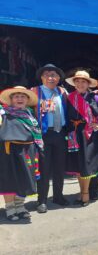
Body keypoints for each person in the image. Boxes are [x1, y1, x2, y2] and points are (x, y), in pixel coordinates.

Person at [65, 70, 98, 206]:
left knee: (86, 164)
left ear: (88, 84)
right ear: (74, 83)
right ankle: (81, 192)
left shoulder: (94, 98)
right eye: (78, 81)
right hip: (74, 134)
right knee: (78, 165)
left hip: (89, 134)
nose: (80, 84)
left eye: (83, 82)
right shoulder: (69, 97)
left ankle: (85, 194)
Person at [0, 86, 43, 221]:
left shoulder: (30, 114)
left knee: (25, 178)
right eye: (16, 96)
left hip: (27, 150)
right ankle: (10, 208)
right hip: (8, 151)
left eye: (23, 96)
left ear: (27, 99)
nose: (20, 99)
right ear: (11, 100)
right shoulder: (3, 113)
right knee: (9, 179)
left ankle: (20, 206)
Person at [31, 64, 69, 213]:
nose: (50, 78)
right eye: (47, 75)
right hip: (43, 134)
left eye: (54, 75)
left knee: (60, 167)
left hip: (60, 133)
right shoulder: (34, 92)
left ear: (59, 78)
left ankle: (58, 196)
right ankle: (42, 201)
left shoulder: (62, 91)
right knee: (44, 168)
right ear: (42, 77)